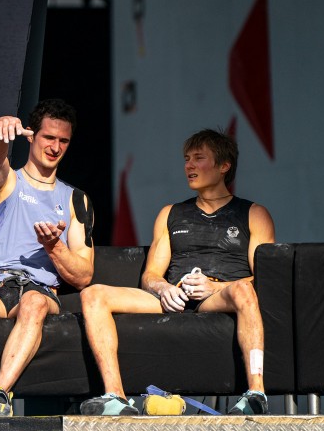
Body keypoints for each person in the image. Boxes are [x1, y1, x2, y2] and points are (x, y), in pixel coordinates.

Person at [79, 128, 275, 416]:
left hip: (219, 296)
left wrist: (215, 287)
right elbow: (150, 275)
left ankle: (256, 393)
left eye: (198, 158)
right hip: (174, 298)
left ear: (224, 166)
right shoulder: (170, 213)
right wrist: (164, 289)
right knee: (93, 294)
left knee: (244, 290)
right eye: (186, 159)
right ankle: (115, 397)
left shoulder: (254, 213)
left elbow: (266, 277)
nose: (189, 166)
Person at [0, 99, 95, 417]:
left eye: (63, 141)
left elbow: (83, 275)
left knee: (34, 303)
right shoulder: (8, 181)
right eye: (48, 137)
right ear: (31, 135)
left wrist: (54, 247)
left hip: (39, 289)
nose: (55, 147)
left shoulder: (76, 199)